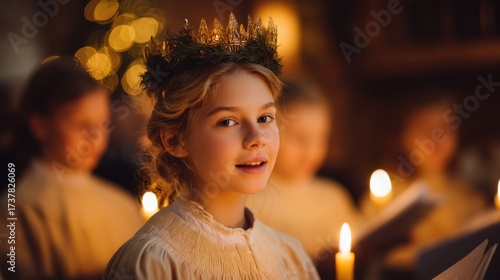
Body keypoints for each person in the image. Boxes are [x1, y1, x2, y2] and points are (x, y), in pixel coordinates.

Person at [103, 14, 319, 279]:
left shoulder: (290, 256)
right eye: (227, 121)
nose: (256, 137)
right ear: (175, 140)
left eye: (265, 118)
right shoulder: (154, 261)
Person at [0, 58, 144, 279]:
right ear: (40, 125)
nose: (96, 138)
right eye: (82, 125)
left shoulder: (123, 205)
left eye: (102, 125)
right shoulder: (20, 210)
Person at [360, 88, 487, 270]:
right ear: (401, 135)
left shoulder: (470, 197)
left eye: (446, 128)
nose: (437, 138)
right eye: (424, 129)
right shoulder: (385, 196)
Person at [246, 80, 364, 261]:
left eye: (320, 138)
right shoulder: (249, 201)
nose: (311, 151)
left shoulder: (334, 197)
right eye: (300, 138)